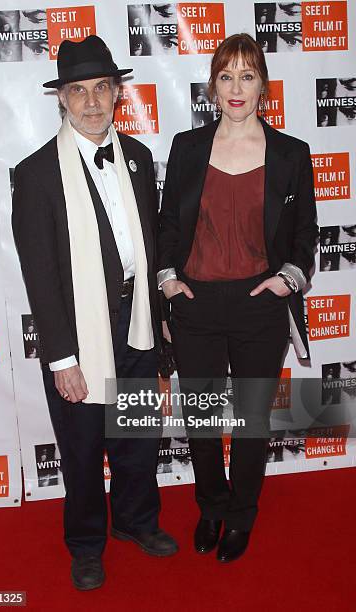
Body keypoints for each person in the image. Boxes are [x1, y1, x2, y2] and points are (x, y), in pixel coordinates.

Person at [12, 35, 177, 591]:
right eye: (77, 90)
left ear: (116, 93)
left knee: (136, 439)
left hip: (136, 327)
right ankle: (86, 545)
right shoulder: (35, 174)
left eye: (101, 88)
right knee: (82, 451)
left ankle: (135, 523)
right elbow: (41, 275)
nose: (90, 102)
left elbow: (150, 250)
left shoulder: (137, 157)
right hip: (78, 336)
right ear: (61, 98)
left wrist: (160, 341)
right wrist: (62, 358)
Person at [158, 33, 318, 563]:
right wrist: (167, 281)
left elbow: (304, 236)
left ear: (263, 87)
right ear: (212, 84)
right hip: (196, 304)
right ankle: (211, 506)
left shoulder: (292, 154)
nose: (235, 87)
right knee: (202, 419)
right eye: (226, 75)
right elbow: (168, 226)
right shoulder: (186, 147)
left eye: (247, 76)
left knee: (250, 421)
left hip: (259, 305)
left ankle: (242, 515)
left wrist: (286, 280)